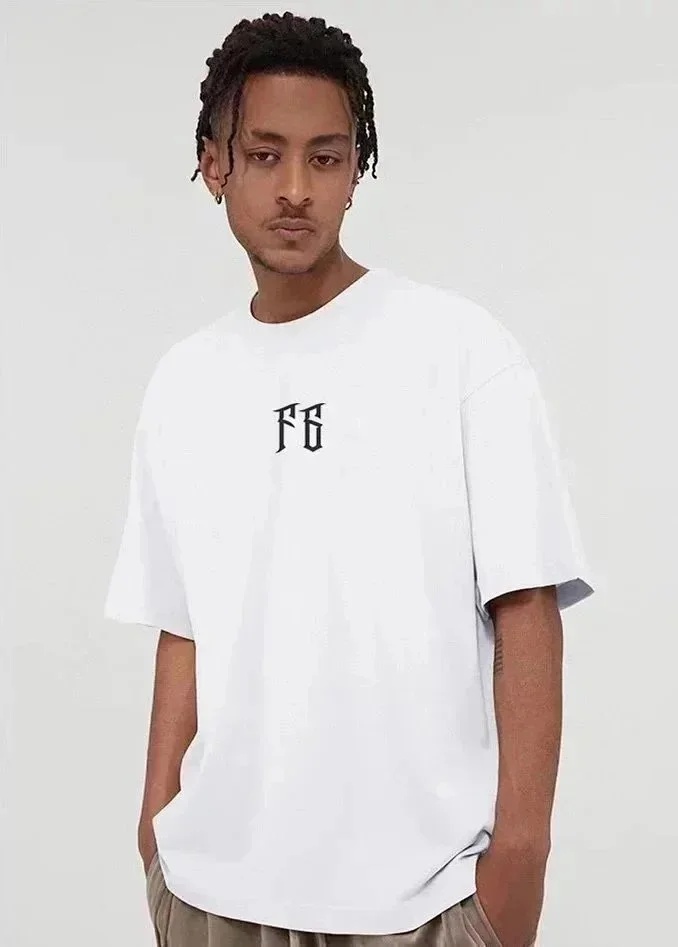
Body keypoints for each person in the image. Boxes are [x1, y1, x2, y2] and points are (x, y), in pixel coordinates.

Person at [104, 11, 595, 947]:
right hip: (213, 894)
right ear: (213, 164)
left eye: (326, 158)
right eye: (265, 155)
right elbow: (183, 619)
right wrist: (155, 828)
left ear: (357, 169)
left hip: (421, 902)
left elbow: (526, 603)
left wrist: (521, 860)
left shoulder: (459, 351)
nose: (296, 189)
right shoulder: (185, 382)